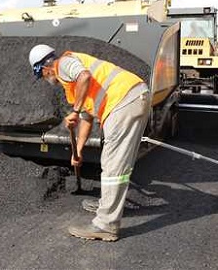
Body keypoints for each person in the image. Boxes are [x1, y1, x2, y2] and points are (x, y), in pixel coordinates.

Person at [29, 44, 150, 242]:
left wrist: (74, 111)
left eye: (41, 75)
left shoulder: (63, 64)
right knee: (116, 164)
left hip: (122, 101)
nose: (45, 79)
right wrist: (77, 151)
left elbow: (84, 77)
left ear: (43, 68)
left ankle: (105, 225)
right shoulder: (73, 86)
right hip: (132, 97)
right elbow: (87, 118)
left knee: (113, 165)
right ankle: (107, 205)